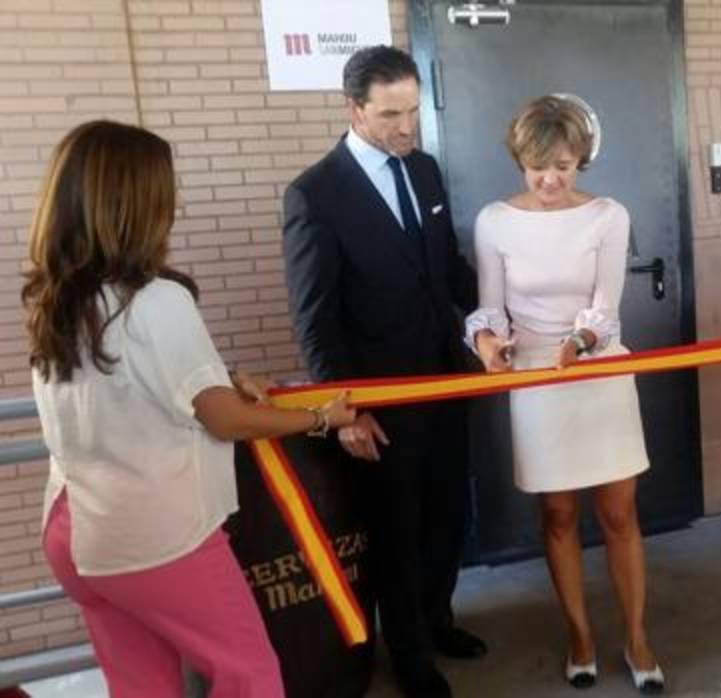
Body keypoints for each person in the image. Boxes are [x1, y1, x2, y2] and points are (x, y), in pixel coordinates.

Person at [22, 120, 357, 698]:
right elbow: (224, 418)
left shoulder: (60, 298)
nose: (174, 202)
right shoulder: (158, 300)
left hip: (74, 528)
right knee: (251, 676)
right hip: (154, 536)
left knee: (142, 686)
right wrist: (322, 417)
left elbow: (125, 381)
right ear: (134, 204)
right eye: (165, 188)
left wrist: (221, 377)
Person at [281, 45, 483, 698]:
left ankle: (437, 619)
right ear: (354, 109)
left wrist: (499, 314)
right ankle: (410, 656)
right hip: (379, 399)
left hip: (447, 382)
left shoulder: (422, 170)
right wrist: (344, 410)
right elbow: (315, 319)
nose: (406, 128)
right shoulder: (315, 194)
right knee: (397, 532)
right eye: (391, 114)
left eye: (414, 112)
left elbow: (447, 268)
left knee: (449, 516)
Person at [467, 95, 665, 694]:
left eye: (564, 165)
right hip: (533, 374)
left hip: (596, 367)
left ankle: (636, 637)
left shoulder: (608, 215)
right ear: (519, 160)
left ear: (581, 160)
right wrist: (487, 343)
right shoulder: (494, 221)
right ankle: (579, 634)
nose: (550, 179)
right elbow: (489, 307)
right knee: (556, 515)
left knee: (620, 513)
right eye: (537, 167)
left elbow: (605, 308)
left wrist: (580, 341)